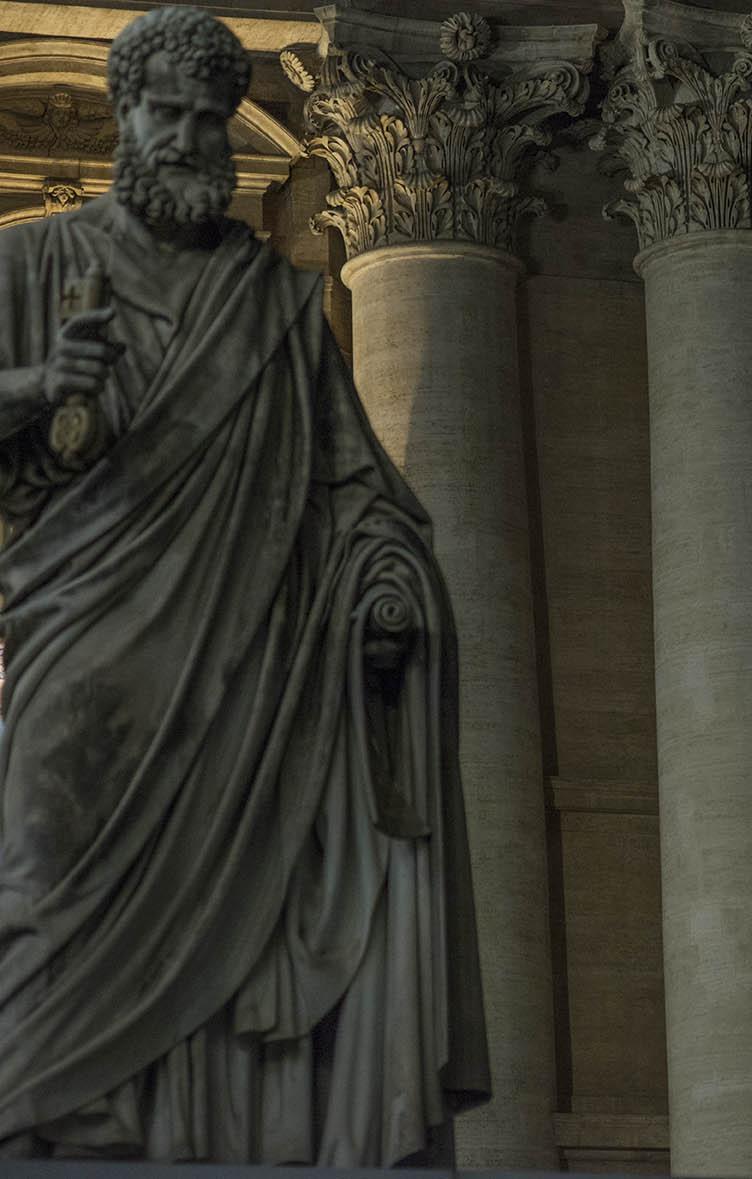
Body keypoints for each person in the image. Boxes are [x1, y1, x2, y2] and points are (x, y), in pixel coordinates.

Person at [0, 7, 487, 1164]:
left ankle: (191, 1124)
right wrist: (30, 387)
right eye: (163, 114)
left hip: (245, 675)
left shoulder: (271, 304)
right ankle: (49, 1111)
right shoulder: (28, 263)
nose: (184, 139)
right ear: (125, 116)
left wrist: (386, 583)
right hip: (82, 646)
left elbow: (353, 483)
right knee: (42, 877)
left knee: (253, 913)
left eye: (206, 120)